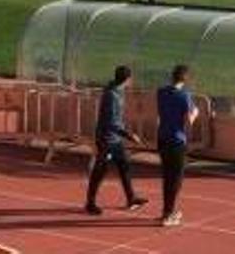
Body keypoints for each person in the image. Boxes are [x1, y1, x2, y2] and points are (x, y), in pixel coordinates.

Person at [85, 65, 149, 216]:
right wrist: (129, 135)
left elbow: (116, 120)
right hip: (107, 140)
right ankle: (90, 203)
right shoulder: (112, 96)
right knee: (100, 170)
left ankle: (131, 198)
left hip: (116, 139)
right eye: (131, 78)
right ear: (127, 79)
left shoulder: (117, 91)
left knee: (124, 165)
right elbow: (111, 122)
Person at [156, 65, 199, 227]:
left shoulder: (161, 92)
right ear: (185, 79)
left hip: (162, 138)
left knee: (167, 177)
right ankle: (168, 214)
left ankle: (167, 210)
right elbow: (188, 121)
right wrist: (196, 112)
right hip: (177, 141)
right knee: (176, 179)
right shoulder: (184, 96)